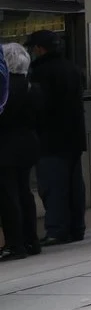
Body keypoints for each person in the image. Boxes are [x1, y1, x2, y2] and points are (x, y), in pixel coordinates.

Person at [26, 30, 86, 246]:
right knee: (74, 185)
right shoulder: (72, 68)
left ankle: (56, 230)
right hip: (74, 137)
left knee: (53, 186)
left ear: (40, 49)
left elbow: (40, 107)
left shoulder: (40, 71)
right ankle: (77, 228)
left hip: (51, 139)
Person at [0, 43, 42, 261]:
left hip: (5, 147)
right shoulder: (31, 86)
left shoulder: (5, 87)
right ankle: (31, 239)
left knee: (8, 196)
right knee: (25, 192)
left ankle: (14, 244)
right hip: (28, 145)